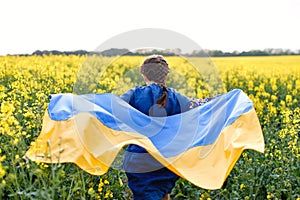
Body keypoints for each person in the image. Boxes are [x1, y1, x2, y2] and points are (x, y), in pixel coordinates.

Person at [120, 55, 198, 200]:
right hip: (167, 160)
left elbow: (112, 108)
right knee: (163, 193)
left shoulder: (135, 94)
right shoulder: (176, 97)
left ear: (143, 74)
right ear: (166, 75)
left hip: (139, 161)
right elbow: (197, 111)